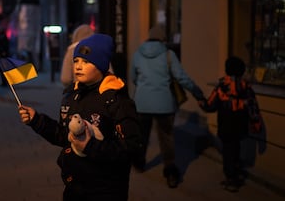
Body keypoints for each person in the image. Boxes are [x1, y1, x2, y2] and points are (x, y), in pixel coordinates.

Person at [18, 33, 143, 200]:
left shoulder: (117, 100)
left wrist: (90, 146)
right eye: (76, 61)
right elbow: (64, 136)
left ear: (101, 65)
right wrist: (37, 121)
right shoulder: (71, 95)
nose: (78, 66)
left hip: (106, 189)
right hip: (74, 186)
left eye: (86, 62)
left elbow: (131, 147)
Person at [130, 25, 205, 188]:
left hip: (142, 103)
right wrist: (198, 93)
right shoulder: (169, 55)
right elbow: (182, 78)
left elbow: (133, 78)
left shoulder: (137, 54)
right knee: (167, 138)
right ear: (163, 38)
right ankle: (170, 172)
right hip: (164, 104)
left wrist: (144, 87)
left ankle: (139, 163)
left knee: (141, 136)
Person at [199, 56, 262, 192]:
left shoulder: (222, 87)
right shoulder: (246, 87)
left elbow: (210, 105)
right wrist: (256, 123)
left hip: (226, 126)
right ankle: (238, 172)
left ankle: (231, 179)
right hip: (240, 126)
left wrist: (201, 102)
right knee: (236, 148)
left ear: (227, 70)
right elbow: (253, 107)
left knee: (227, 152)